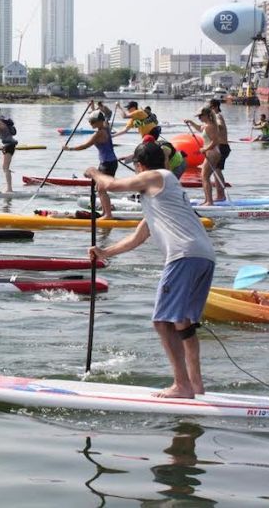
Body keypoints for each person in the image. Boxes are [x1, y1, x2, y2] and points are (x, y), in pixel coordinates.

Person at [85, 141, 216, 399]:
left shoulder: (156, 176)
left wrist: (93, 172)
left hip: (183, 256)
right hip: (204, 256)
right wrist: (105, 253)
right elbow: (137, 238)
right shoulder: (163, 195)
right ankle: (195, 385)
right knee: (183, 323)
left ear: (140, 166)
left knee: (162, 322)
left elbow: (109, 185)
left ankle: (181, 385)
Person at [62, 103, 117, 219]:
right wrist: (94, 106)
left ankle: (108, 215)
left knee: (101, 189)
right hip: (109, 162)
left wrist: (69, 149)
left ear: (98, 122)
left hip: (107, 163)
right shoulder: (106, 126)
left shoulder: (99, 133)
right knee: (99, 188)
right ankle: (104, 212)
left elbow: (85, 146)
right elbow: (106, 114)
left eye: (92, 121)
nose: (90, 123)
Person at [183, 108, 227, 205]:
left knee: (204, 176)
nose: (199, 118)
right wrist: (191, 122)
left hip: (213, 153)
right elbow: (200, 128)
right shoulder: (206, 125)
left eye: (200, 116)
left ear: (206, 115)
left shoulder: (211, 126)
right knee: (205, 176)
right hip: (211, 152)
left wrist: (205, 149)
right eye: (198, 116)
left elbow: (215, 141)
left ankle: (209, 202)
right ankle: (208, 200)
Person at [207, 98, 231, 180]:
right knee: (216, 170)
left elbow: (220, 126)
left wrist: (212, 126)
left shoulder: (217, 116)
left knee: (217, 170)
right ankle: (219, 189)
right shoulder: (215, 117)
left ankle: (221, 189)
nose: (209, 109)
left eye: (211, 107)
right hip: (221, 146)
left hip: (222, 147)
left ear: (216, 107)